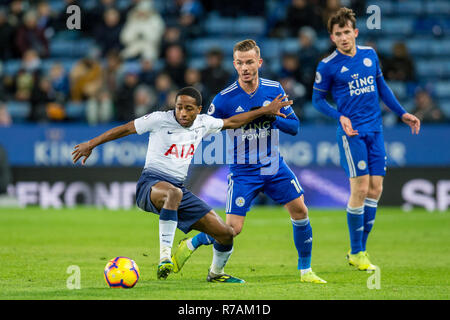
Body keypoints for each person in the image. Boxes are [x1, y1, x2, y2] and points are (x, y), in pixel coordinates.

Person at [72, 86, 291, 283]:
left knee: (226, 233)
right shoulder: (158, 119)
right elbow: (126, 128)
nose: (183, 113)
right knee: (173, 194)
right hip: (151, 184)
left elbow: (233, 121)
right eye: (179, 108)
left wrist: (265, 111)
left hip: (178, 189)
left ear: (199, 109)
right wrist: (91, 144)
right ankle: (165, 257)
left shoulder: (204, 123)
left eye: (188, 109)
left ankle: (215, 274)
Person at [172, 39, 327, 284]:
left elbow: (295, 127)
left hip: (274, 166)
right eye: (240, 63)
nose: (245, 67)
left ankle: (305, 271)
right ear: (234, 65)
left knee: (300, 211)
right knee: (232, 230)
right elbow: (205, 126)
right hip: (244, 172)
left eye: (250, 62)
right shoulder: (224, 99)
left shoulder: (273, 88)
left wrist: (273, 117)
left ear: (259, 62)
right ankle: (193, 242)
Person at [312, 8, 421, 271]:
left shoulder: (370, 55)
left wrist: (403, 112)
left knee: (375, 190)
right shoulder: (327, 66)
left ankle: (359, 250)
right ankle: (358, 251)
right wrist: (339, 116)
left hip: (376, 130)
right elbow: (317, 100)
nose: (344, 37)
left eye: (347, 32)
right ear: (332, 37)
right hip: (353, 134)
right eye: (338, 34)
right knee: (359, 190)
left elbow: (382, 88)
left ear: (355, 32)